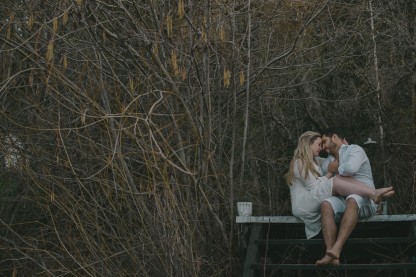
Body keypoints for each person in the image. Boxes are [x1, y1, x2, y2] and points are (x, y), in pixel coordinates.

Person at [285, 131, 394, 247]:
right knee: (336, 180)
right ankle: (373, 193)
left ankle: (332, 251)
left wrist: (343, 148)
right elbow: (313, 186)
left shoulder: (316, 161)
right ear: (308, 144)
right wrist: (330, 174)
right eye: (318, 144)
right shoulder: (299, 162)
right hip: (303, 204)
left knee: (337, 179)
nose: (321, 148)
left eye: (323, 144)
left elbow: (335, 161)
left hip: (312, 198)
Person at [315, 128, 394, 265]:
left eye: (325, 141)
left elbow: (351, 169)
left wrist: (336, 168)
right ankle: (330, 254)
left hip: (364, 200)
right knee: (325, 204)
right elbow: (325, 180)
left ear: (334, 137)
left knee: (352, 198)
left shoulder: (355, 150)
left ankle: (337, 248)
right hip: (342, 199)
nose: (323, 146)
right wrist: (332, 169)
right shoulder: (328, 162)